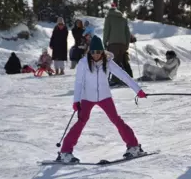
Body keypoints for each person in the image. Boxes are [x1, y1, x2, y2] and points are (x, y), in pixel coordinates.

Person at [56, 35, 147, 163]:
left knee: (116, 119)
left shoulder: (108, 62)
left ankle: (134, 146)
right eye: (93, 52)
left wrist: (138, 90)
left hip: (105, 96)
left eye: (99, 52)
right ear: (90, 51)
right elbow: (79, 83)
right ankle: (65, 152)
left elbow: (123, 76)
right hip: (87, 97)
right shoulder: (83, 63)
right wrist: (76, 100)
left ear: (103, 52)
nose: (96, 55)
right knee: (81, 122)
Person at [103, 3, 131, 86]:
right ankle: (122, 79)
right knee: (120, 61)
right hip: (122, 44)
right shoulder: (123, 18)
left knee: (113, 63)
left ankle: (115, 80)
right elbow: (127, 33)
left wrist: (104, 42)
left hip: (113, 44)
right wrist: (127, 44)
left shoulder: (109, 18)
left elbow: (106, 31)